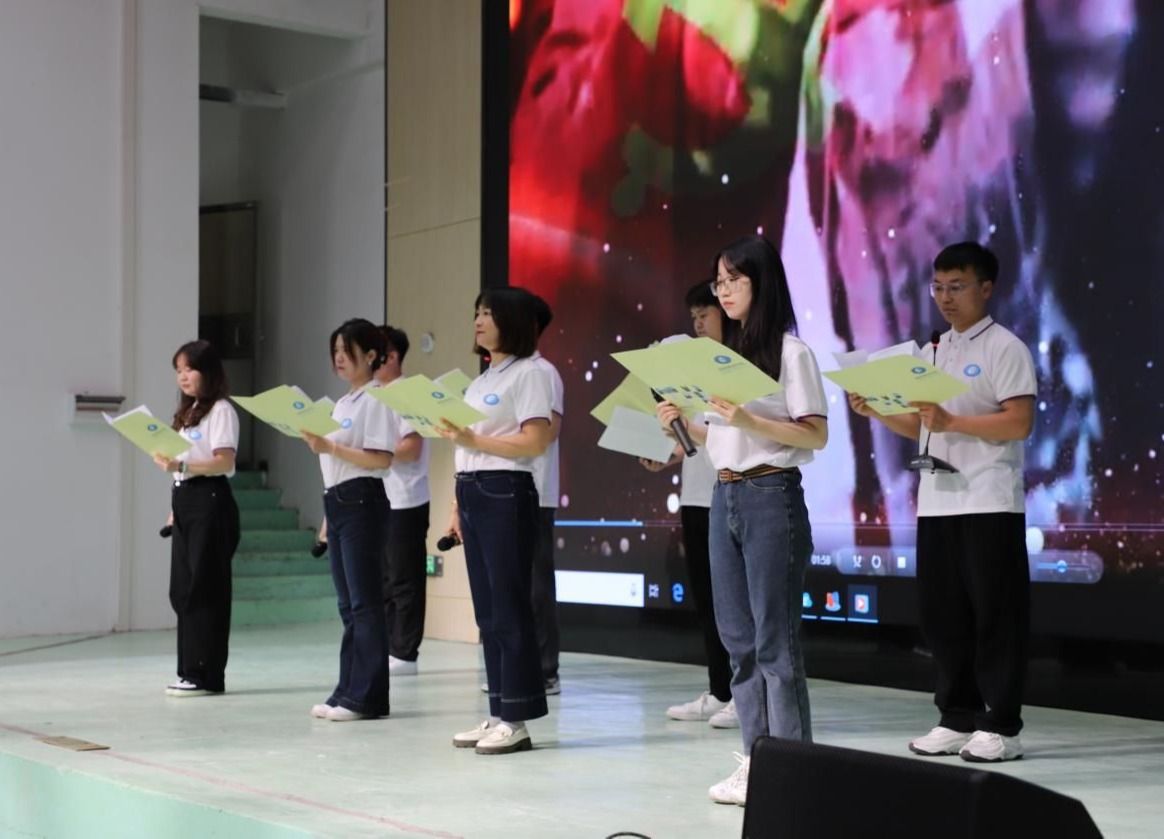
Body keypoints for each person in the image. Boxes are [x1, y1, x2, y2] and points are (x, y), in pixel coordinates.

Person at [848, 242, 1036, 763]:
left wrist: (953, 421)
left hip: (988, 499)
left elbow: (1019, 421)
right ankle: (956, 716)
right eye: (938, 287)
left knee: (995, 615)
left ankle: (1002, 725)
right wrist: (876, 410)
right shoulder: (932, 351)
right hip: (937, 502)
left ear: (986, 288)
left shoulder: (1005, 347)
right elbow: (922, 426)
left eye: (957, 286)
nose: (945, 297)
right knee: (943, 617)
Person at [657, 234, 828, 806]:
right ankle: (758, 758)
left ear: (762, 282)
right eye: (719, 282)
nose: (724, 291)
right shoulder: (724, 357)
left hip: (770, 492)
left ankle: (794, 769)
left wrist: (750, 418)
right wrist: (683, 422)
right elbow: (720, 436)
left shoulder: (791, 352)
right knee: (737, 639)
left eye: (734, 280)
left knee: (775, 641)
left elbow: (815, 433)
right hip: (724, 494)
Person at [439, 288, 554, 755]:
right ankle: (498, 709)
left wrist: (474, 440)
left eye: (488, 313)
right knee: (487, 613)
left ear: (513, 321)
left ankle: (517, 718)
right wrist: (455, 506)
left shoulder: (530, 373)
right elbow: (467, 446)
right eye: (477, 312)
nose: (479, 321)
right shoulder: (483, 378)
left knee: (508, 606)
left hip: (506, 491)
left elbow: (535, 441)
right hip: (473, 490)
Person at [643, 281, 735, 728]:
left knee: (735, 603)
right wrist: (666, 454)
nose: (698, 323)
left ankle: (745, 694)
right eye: (694, 316)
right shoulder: (692, 371)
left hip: (734, 492)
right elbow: (696, 436)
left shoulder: (740, 365)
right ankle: (721, 691)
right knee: (708, 600)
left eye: (706, 314)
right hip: (698, 495)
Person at [303, 319, 400, 722]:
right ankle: (348, 689)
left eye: (347, 350)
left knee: (364, 602)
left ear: (372, 355)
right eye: (336, 351)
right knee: (348, 605)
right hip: (338, 501)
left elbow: (381, 459)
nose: (339, 358)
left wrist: (329, 447)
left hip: (362, 499)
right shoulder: (343, 404)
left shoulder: (378, 398)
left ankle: (367, 697)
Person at [153, 340, 241, 698]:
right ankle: (188, 670)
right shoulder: (188, 412)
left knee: (204, 588)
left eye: (189, 369)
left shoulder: (221, 410)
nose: (183, 377)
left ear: (209, 371)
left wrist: (183, 466)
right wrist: (176, 502)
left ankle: (206, 674)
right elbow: (183, 466)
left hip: (211, 500)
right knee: (182, 589)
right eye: (178, 370)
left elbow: (224, 461)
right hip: (187, 499)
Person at [373, 325, 428, 677]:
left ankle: (405, 651)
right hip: (378, 497)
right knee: (383, 577)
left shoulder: (408, 394)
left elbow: (412, 447)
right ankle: (388, 644)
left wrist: (373, 451)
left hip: (406, 498)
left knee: (404, 577)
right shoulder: (372, 395)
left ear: (392, 357)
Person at [526, 292, 565, 696]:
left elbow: (549, 431)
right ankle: (522, 668)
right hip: (506, 494)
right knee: (518, 586)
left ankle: (545, 670)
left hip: (535, 492)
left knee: (537, 585)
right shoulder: (506, 374)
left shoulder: (543, 373)